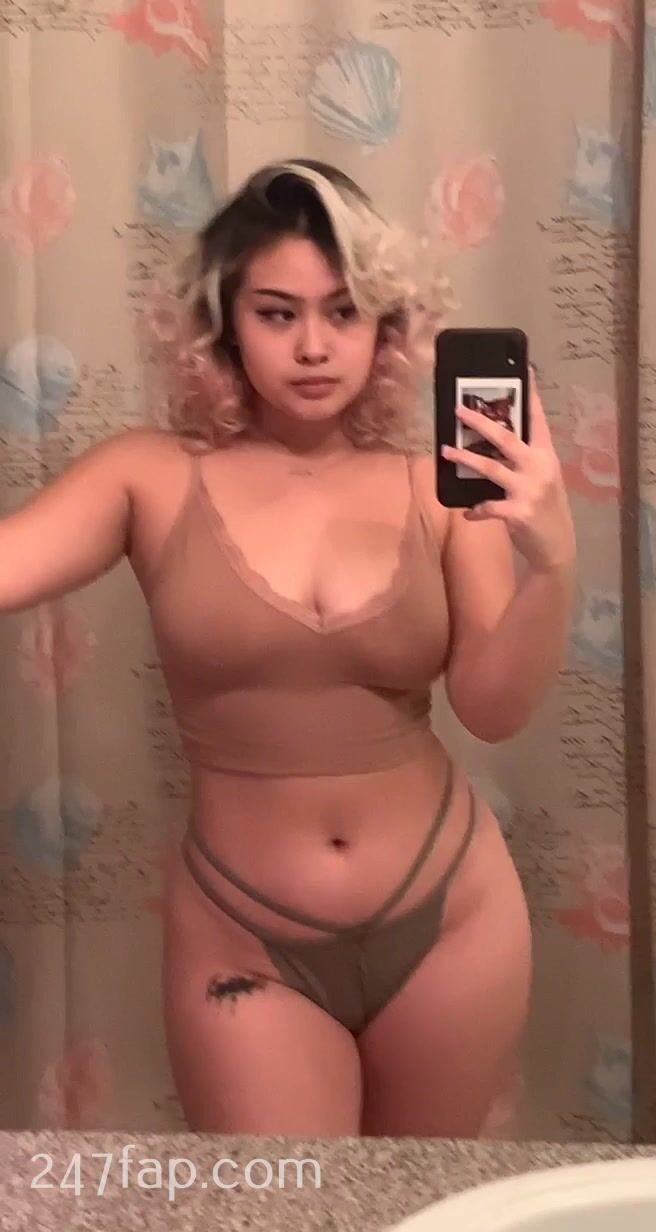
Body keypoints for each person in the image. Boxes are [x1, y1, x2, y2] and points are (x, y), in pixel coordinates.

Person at [0, 159, 576, 1136]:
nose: (314, 345)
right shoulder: (150, 477)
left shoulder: (440, 491)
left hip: (453, 920)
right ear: (223, 325)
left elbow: (491, 707)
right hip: (244, 941)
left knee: (424, 1204)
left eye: (344, 312)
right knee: (282, 1201)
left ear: (384, 328)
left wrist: (552, 564)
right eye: (277, 314)